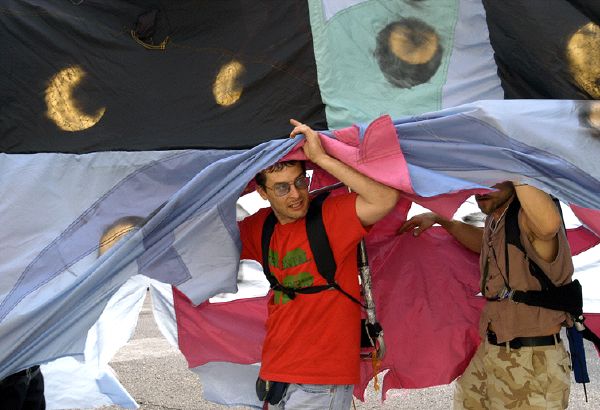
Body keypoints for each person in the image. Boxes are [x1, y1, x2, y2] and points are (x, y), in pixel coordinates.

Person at [238, 119, 399, 409]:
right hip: (275, 375)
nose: (297, 194)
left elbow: (385, 199)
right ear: (262, 192)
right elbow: (204, 235)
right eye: (282, 188)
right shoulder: (259, 227)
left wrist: (322, 158)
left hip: (322, 379)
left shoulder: (331, 217)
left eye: (301, 181)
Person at [399, 181, 573, 409]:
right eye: (478, 179)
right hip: (493, 351)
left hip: (532, 360)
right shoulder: (497, 218)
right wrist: (442, 220)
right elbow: (484, 243)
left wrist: (513, 164)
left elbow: (548, 226)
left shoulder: (530, 218)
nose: (482, 188)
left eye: (492, 177)